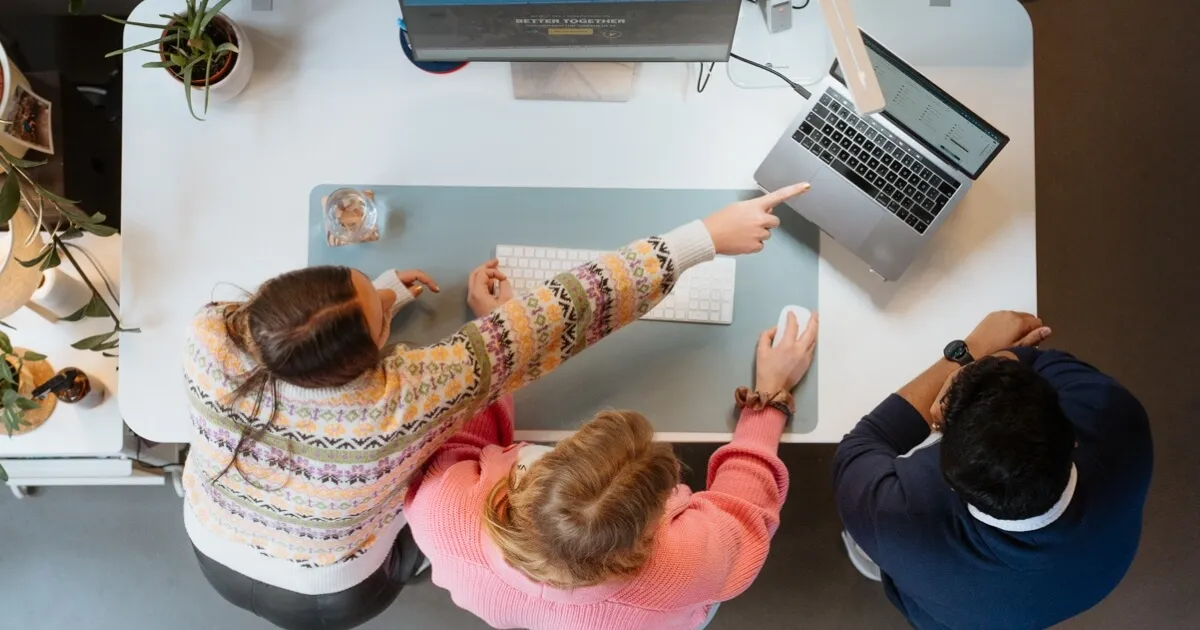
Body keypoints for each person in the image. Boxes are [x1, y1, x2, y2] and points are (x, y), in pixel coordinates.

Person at [180, 183, 811, 630]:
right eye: (377, 316)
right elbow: (570, 309)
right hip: (328, 589)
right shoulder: (405, 402)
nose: (378, 294)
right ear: (368, 358)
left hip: (211, 543)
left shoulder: (208, 334)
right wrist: (702, 239)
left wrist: (375, 305)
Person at [404, 305, 818, 630]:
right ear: (656, 519)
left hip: (498, 599)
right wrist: (770, 397)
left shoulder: (440, 508)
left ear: (544, 471)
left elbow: (462, 419)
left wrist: (500, 334)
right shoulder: (688, 566)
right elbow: (742, 512)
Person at [833, 311, 1153, 630]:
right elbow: (1034, 363)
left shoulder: (895, 520)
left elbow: (863, 442)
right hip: (1090, 574)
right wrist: (994, 366)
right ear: (1072, 437)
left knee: (876, 541)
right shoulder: (1112, 412)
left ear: (950, 479)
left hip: (947, 613)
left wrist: (969, 354)